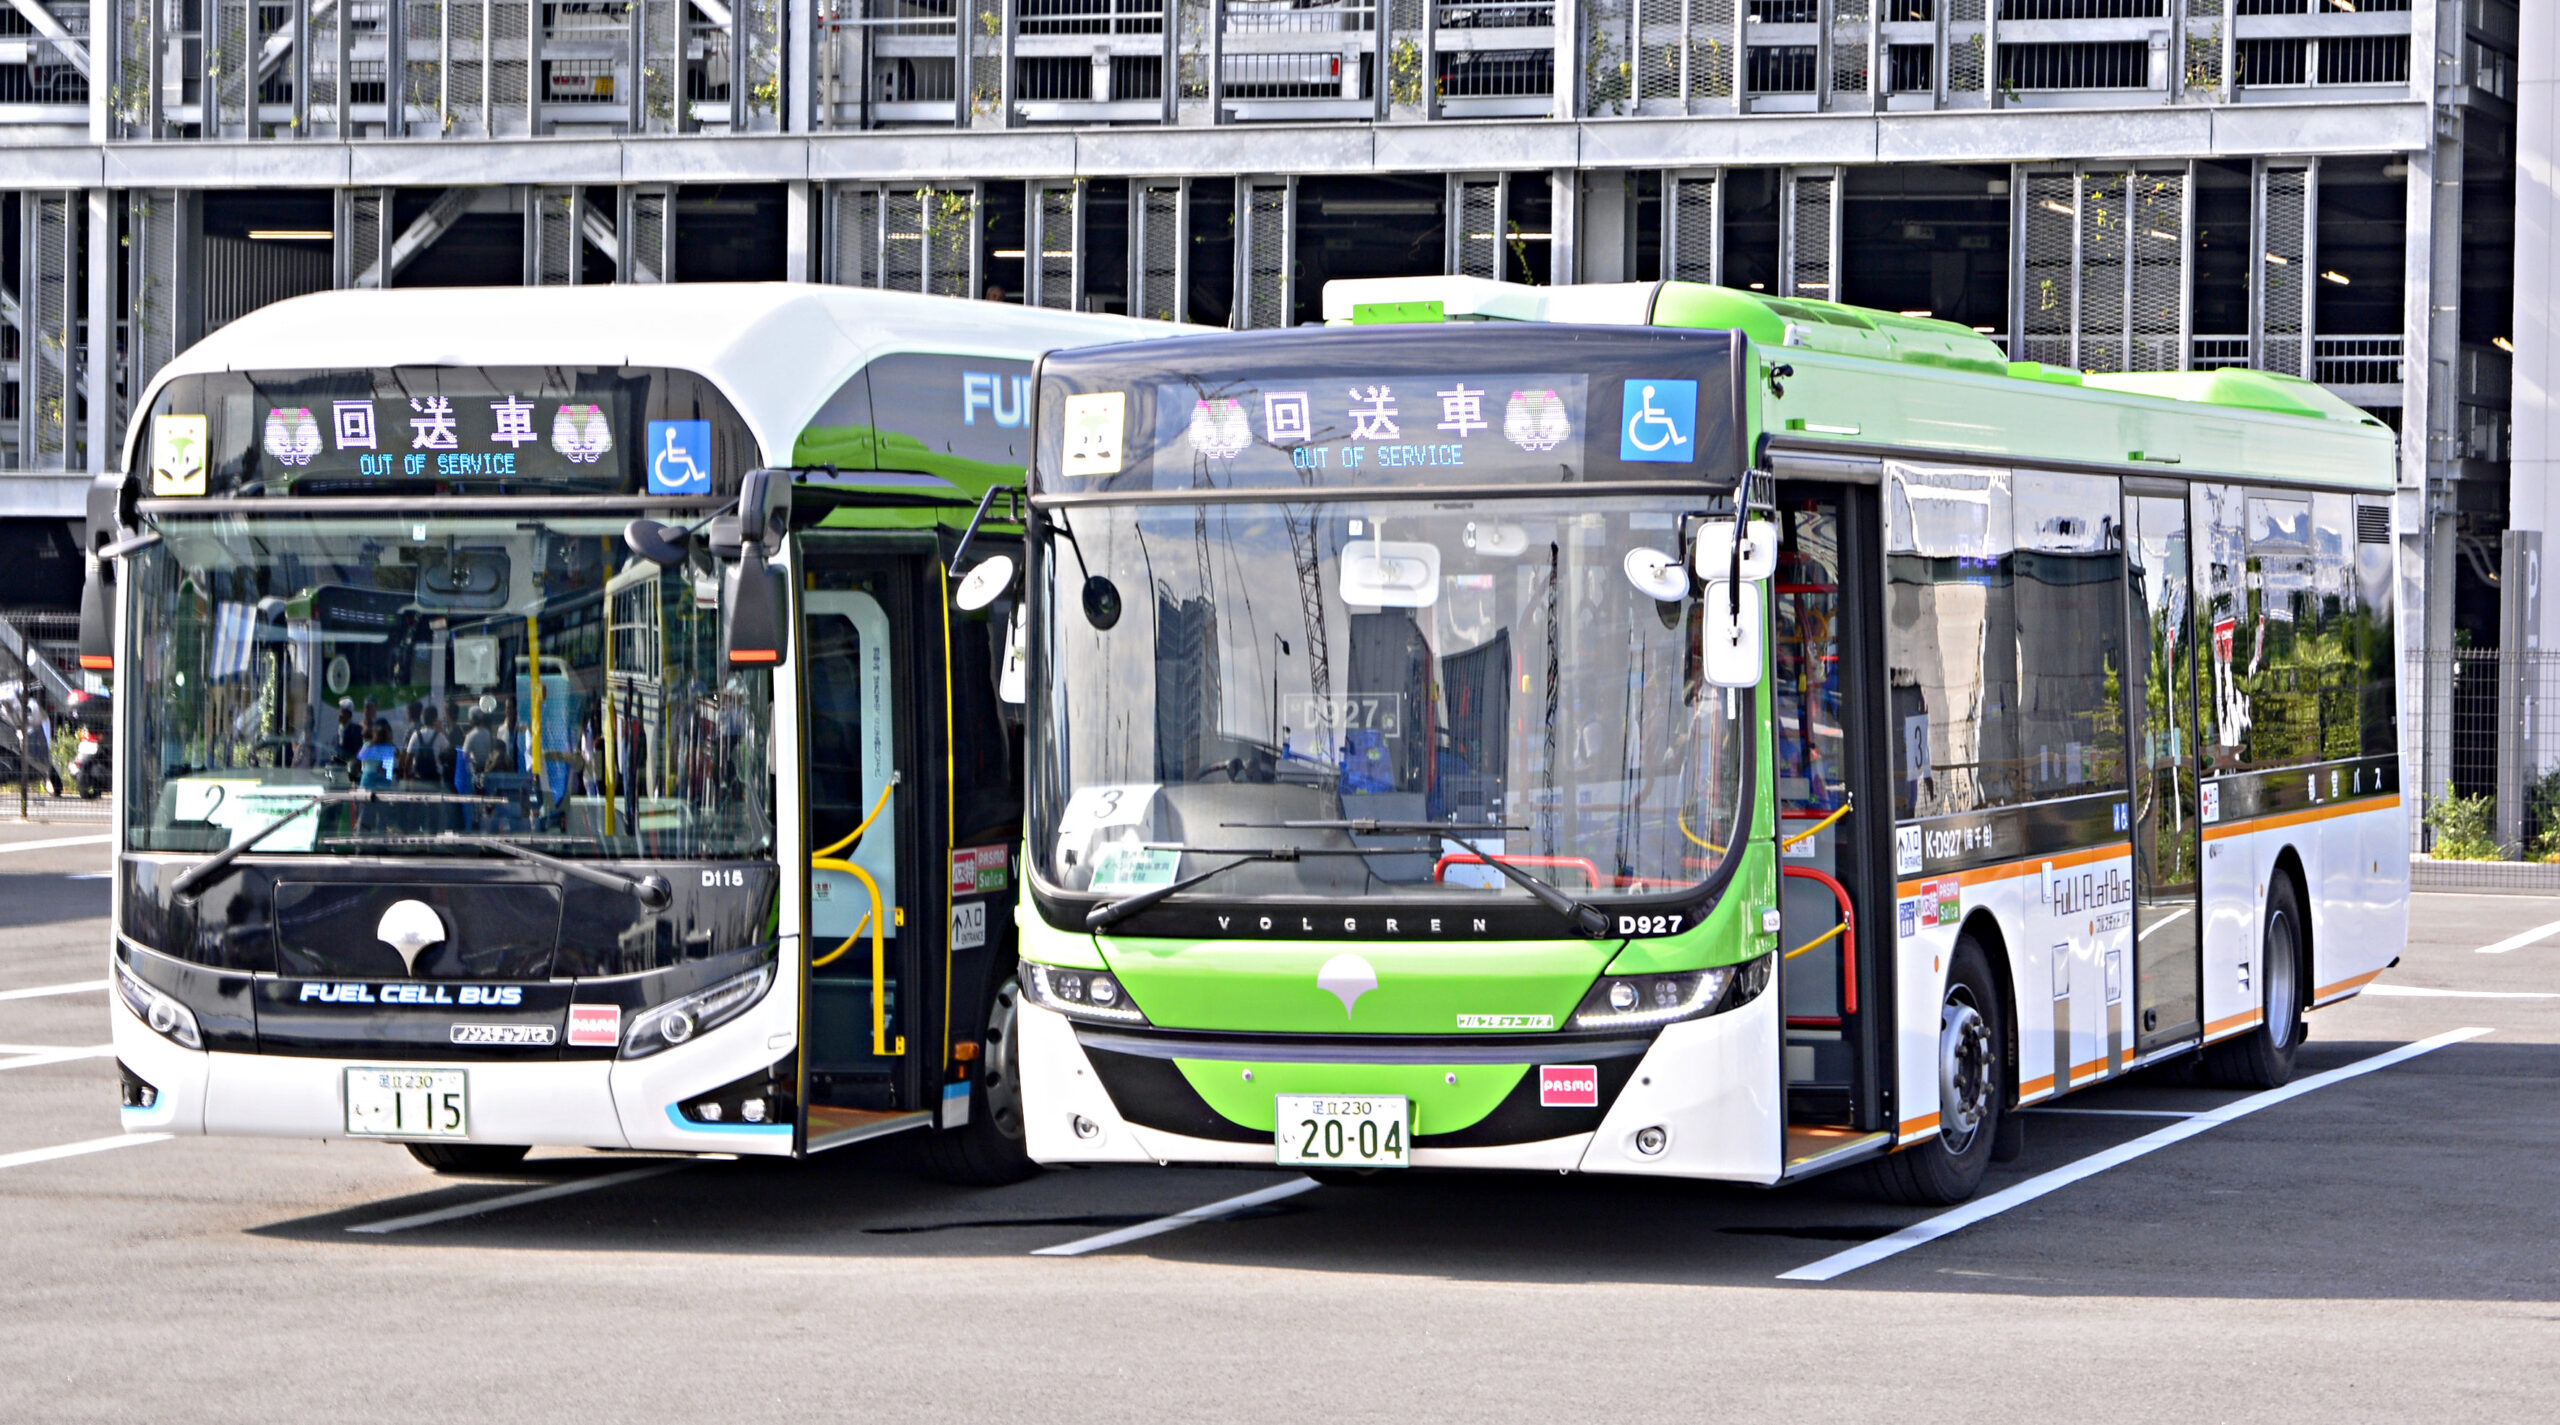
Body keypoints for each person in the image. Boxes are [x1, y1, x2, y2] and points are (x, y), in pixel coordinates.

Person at [356, 719, 398, 789]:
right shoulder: (388, 748)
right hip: (377, 786)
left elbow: (360, 758)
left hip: (371, 784)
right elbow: (360, 756)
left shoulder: (368, 746)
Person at [335, 698, 362, 765]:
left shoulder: (355, 730)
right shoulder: (340, 729)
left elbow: (355, 751)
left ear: (348, 714)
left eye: (342, 712)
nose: (339, 715)